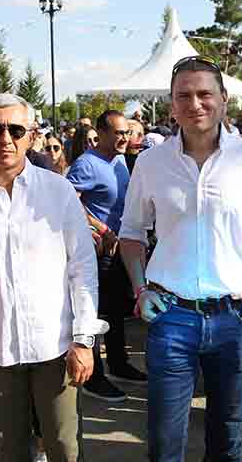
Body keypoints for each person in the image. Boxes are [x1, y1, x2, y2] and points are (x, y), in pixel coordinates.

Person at [119, 56, 242, 462]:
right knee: (164, 443)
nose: (194, 104)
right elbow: (131, 234)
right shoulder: (151, 162)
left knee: (227, 439)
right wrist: (140, 289)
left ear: (224, 99)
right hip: (170, 315)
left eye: (205, 94)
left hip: (235, 317)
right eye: (183, 95)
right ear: (171, 104)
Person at [0, 93, 105, 462]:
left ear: (32, 135)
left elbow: (82, 268)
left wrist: (84, 339)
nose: (6, 139)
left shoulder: (58, 191)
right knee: (10, 450)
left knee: (63, 446)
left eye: (15, 130)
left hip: (56, 345)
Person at [67, 110, 146, 404]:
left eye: (126, 132)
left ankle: (119, 363)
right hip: (98, 253)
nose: (124, 138)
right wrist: (101, 229)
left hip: (121, 249)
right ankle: (94, 377)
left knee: (115, 311)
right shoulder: (86, 164)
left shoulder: (120, 160)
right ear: (101, 134)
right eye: (118, 133)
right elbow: (69, 202)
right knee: (96, 314)